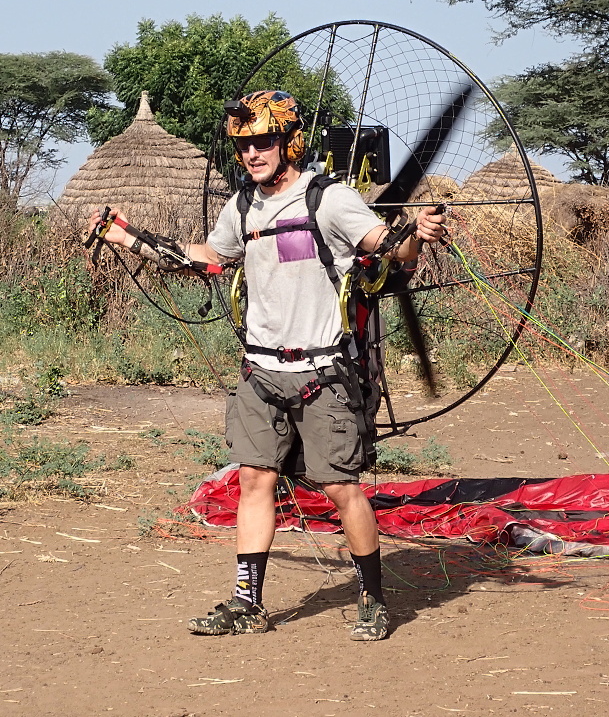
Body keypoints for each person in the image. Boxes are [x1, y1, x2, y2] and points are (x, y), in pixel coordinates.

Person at [90, 90, 445, 642]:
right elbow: (207, 259)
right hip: (259, 373)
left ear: (288, 141)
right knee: (254, 481)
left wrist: (414, 237)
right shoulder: (243, 206)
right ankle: (246, 604)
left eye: (262, 142)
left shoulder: (329, 200)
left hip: (323, 373)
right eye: (244, 145)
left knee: (339, 488)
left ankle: (373, 600)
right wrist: (129, 237)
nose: (252, 154)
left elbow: (384, 248)